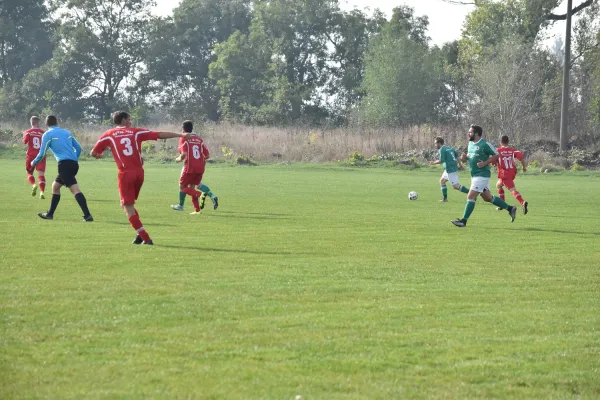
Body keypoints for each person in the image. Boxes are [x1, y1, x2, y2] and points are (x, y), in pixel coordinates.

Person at [90, 111, 193, 245]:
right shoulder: (135, 132)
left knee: (126, 206)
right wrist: (181, 134)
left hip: (125, 173)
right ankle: (139, 234)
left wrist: (98, 155)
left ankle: (146, 238)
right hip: (139, 173)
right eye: (129, 119)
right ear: (123, 120)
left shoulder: (108, 134)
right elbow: (159, 134)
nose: (130, 122)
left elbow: (93, 153)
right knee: (129, 205)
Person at [451, 125, 518, 228]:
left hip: (482, 175)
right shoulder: (470, 144)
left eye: (470, 132)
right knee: (487, 197)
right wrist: (465, 158)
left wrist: (485, 163)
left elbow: (496, 155)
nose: (468, 134)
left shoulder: (485, 144)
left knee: (470, 196)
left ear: (476, 133)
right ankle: (510, 208)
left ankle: (463, 221)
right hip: (474, 175)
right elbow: (471, 156)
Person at [31, 115, 93, 221]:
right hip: (73, 164)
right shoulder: (67, 132)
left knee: (75, 190)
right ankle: (50, 214)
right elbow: (78, 148)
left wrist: (33, 162)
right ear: (57, 122)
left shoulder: (47, 134)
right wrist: (74, 159)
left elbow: (42, 153)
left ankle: (88, 215)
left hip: (64, 165)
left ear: (46, 124)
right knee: (55, 186)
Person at [170, 120, 210, 215]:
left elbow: (184, 153)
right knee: (192, 187)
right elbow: (207, 155)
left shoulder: (184, 138)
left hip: (189, 167)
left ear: (183, 129)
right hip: (199, 167)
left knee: (182, 187)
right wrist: (199, 161)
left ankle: (199, 195)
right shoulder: (199, 139)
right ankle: (197, 210)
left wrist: (178, 159)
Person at [495, 135, 528, 214]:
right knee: (498, 185)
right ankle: (502, 203)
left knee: (513, 190)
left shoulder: (497, 151)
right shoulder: (513, 150)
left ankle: (522, 202)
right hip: (511, 173)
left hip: (504, 174)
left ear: (501, 142)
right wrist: (524, 167)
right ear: (508, 142)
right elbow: (522, 158)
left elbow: (492, 160)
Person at [429, 137, 469, 202]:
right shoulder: (449, 148)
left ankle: (471, 193)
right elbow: (457, 156)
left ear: (439, 143)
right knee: (442, 181)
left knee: (455, 186)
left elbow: (441, 161)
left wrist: (433, 163)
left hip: (450, 169)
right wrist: (460, 165)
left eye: (436, 143)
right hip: (449, 169)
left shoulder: (442, 149)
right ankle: (445, 199)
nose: (435, 145)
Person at [23, 116, 47, 199]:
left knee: (29, 173)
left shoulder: (28, 132)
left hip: (30, 155)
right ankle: (42, 192)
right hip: (41, 155)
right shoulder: (43, 132)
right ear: (38, 122)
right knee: (41, 174)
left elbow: (25, 142)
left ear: (31, 122)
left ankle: (33, 185)